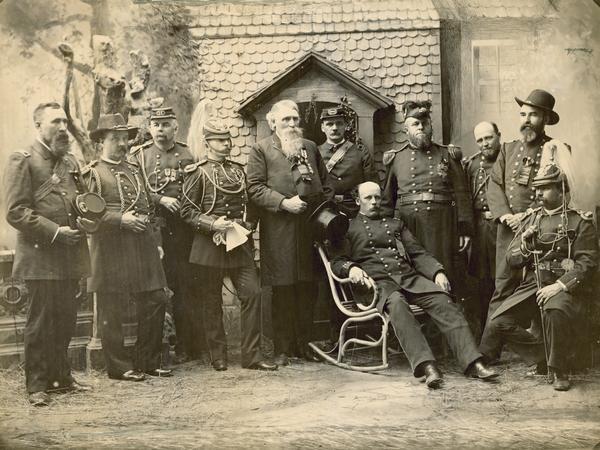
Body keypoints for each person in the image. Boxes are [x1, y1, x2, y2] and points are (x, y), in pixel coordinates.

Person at [330, 182, 498, 388]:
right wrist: (352, 269)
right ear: (358, 201)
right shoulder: (348, 227)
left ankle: (473, 362)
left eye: (377, 197)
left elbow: (417, 253)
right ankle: (427, 366)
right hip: (378, 285)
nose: (374, 202)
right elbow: (337, 261)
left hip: (408, 278)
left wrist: (437, 272)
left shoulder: (395, 224)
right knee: (398, 304)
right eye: (368, 198)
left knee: (441, 299)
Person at [4, 102, 95, 406]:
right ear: (38, 125)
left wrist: (84, 219)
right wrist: (56, 232)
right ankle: (37, 385)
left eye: (65, 122)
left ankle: (61, 377)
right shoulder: (23, 160)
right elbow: (16, 212)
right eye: (56, 121)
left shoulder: (68, 162)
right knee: (41, 322)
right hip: (41, 256)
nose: (63, 128)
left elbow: (78, 203)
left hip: (69, 256)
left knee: (66, 319)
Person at [479, 163, 598, 391]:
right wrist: (524, 244)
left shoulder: (580, 221)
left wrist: (560, 286)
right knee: (499, 322)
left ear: (561, 189)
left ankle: (558, 369)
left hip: (562, 285)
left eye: (544, 188)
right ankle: (543, 356)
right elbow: (512, 260)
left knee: (554, 310)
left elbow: (587, 263)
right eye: (537, 188)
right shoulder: (532, 219)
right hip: (534, 283)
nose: (538, 193)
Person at [180, 114, 277, 372]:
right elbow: (187, 211)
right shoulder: (198, 172)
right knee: (211, 302)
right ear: (208, 143)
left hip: (239, 244)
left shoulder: (238, 171)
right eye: (220, 141)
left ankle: (252, 355)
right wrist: (212, 224)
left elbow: (252, 204)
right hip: (209, 245)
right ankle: (218, 355)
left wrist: (249, 226)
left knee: (252, 294)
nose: (226, 144)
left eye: (227, 140)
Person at [83, 113, 171, 381]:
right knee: (113, 306)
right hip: (111, 249)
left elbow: (148, 207)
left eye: (125, 138)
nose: (122, 144)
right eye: (115, 138)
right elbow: (87, 214)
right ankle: (120, 367)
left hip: (143, 246)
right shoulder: (94, 173)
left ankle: (148, 360)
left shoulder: (134, 169)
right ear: (102, 142)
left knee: (155, 298)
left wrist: (155, 243)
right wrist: (120, 219)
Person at [246, 99, 334, 366]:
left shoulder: (309, 148)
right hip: (279, 230)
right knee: (283, 290)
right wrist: (284, 203)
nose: (292, 124)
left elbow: (327, 185)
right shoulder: (261, 149)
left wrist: (321, 214)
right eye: (286, 120)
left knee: (307, 289)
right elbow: (254, 188)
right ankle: (283, 349)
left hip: (309, 231)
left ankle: (304, 345)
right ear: (273, 123)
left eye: (295, 119)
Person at [485, 89, 561, 322]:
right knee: (502, 287)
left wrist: (527, 217)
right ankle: (488, 351)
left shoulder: (556, 149)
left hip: (541, 229)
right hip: (508, 230)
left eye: (533, 115)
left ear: (546, 119)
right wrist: (506, 216)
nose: (526, 120)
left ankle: (537, 347)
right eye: (522, 114)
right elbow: (494, 185)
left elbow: (558, 191)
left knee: (538, 285)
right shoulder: (507, 149)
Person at [130, 107, 199, 363]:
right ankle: (156, 347)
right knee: (153, 289)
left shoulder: (187, 154)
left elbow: (196, 188)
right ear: (149, 128)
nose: (160, 129)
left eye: (165, 124)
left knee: (183, 288)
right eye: (156, 124)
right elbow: (135, 190)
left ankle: (186, 346)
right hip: (153, 229)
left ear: (175, 127)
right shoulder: (140, 156)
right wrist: (160, 198)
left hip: (181, 231)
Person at [381, 100, 472, 286]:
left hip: (443, 225)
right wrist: (386, 234)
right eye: (415, 124)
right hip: (410, 226)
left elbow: (462, 194)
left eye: (425, 123)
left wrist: (464, 230)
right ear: (406, 130)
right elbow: (386, 202)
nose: (421, 127)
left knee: (447, 273)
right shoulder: (396, 159)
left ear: (431, 126)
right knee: (415, 272)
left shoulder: (447, 155)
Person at [464, 121, 502, 331]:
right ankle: (485, 331)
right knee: (481, 280)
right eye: (480, 140)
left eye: (489, 138)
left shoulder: (509, 158)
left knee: (503, 278)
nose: (485, 143)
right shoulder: (471, 165)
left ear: (498, 135)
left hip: (502, 227)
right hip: (479, 228)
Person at [317, 106, 377, 218]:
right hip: (327, 211)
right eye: (330, 124)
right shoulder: (316, 153)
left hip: (355, 210)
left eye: (339, 123)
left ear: (346, 126)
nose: (334, 128)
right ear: (322, 127)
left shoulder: (360, 152)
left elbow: (371, 184)